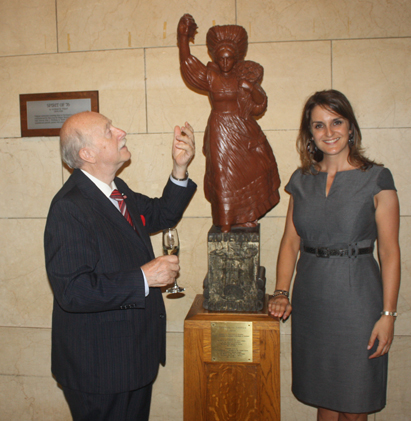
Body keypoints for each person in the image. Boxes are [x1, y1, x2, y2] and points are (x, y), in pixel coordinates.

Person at [44, 111, 196, 420]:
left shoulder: (118, 190)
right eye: (108, 130)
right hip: (100, 368)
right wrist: (144, 277)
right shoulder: (69, 207)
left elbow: (163, 213)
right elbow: (72, 291)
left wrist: (180, 168)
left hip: (133, 359)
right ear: (87, 154)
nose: (121, 131)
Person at [268, 90, 400, 421]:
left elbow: (389, 251)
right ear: (309, 133)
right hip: (312, 299)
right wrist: (281, 292)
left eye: (336, 121)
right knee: (323, 398)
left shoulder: (377, 179)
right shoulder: (301, 181)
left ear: (350, 126)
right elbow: (289, 242)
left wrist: (388, 314)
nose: (329, 132)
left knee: (356, 402)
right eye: (319, 125)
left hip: (359, 301)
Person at [177, 14, 280, 232]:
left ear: (236, 59)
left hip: (243, 131)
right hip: (220, 131)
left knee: (252, 170)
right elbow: (189, 65)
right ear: (216, 57)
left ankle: (244, 216)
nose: (225, 62)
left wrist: (249, 87)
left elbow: (260, 105)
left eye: (229, 58)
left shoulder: (242, 78)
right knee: (223, 174)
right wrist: (183, 39)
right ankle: (225, 221)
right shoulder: (211, 77)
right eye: (221, 58)